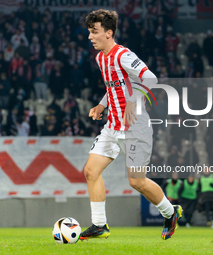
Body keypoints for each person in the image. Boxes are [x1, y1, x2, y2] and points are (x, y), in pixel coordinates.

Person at [80, 9, 182, 241]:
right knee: (90, 171)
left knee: (136, 181)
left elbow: (151, 78)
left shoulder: (123, 55)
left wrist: (134, 101)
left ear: (109, 33)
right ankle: (99, 225)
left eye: (94, 32)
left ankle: (170, 212)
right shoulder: (100, 58)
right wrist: (100, 105)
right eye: (89, 32)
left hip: (135, 127)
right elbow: (113, 87)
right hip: (112, 126)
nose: (90, 37)